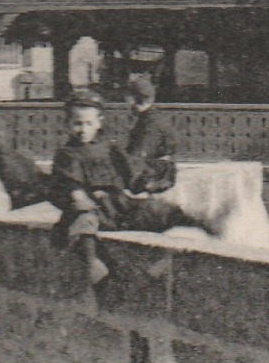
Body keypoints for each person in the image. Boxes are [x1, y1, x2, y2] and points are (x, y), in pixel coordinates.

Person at [49, 91, 188, 286]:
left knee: (156, 210)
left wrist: (148, 178)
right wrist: (77, 195)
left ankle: (167, 252)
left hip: (118, 204)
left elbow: (130, 168)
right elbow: (67, 181)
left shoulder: (109, 147)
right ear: (67, 124)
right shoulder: (67, 154)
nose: (82, 130)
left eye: (88, 124)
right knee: (84, 222)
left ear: (99, 122)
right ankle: (92, 264)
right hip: (93, 207)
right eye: (77, 124)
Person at [122, 75, 177, 195]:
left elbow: (140, 152)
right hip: (153, 167)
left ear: (135, 98)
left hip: (156, 173)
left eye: (127, 97)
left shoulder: (151, 123)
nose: (126, 102)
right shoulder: (149, 117)